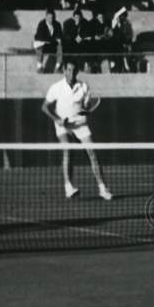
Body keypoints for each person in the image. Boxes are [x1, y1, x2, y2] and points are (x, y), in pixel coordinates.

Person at [41, 60, 113, 201]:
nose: (71, 73)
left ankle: (103, 189)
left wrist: (86, 109)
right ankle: (69, 187)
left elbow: (85, 109)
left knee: (93, 153)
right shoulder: (56, 87)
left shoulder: (84, 87)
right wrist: (57, 119)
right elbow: (44, 107)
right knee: (68, 150)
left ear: (77, 71)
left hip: (80, 124)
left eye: (73, 70)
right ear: (64, 70)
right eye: (68, 70)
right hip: (62, 125)